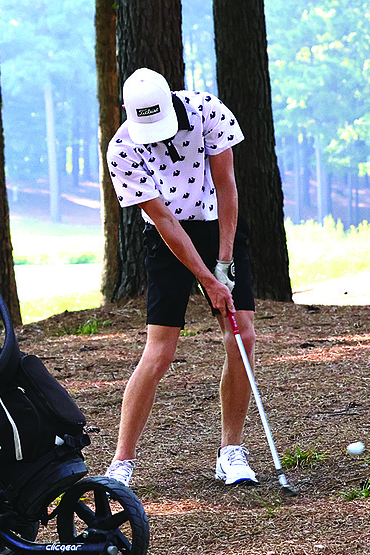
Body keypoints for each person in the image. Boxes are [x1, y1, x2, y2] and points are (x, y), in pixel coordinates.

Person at [104, 67, 259, 487]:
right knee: (160, 352)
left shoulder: (207, 110)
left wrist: (224, 260)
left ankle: (231, 451)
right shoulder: (121, 149)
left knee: (241, 335)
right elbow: (165, 220)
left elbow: (227, 185)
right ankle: (121, 463)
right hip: (168, 237)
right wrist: (208, 280)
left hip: (218, 224)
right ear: (126, 111)